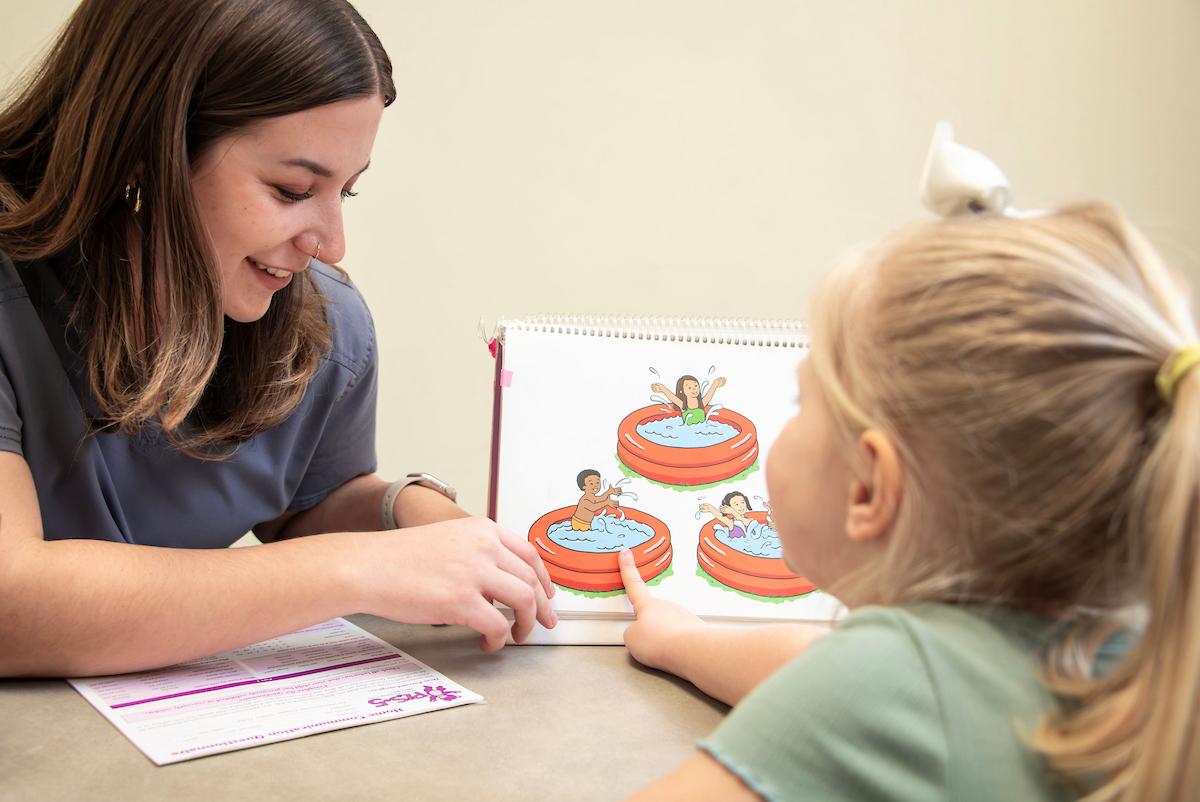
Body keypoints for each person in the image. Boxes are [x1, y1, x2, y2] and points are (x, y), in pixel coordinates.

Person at [0, 0, 556, 678]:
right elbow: (12, 600)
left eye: (345, 192)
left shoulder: (320, 324)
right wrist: (358, 567)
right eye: (293, 189)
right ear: (144, 151)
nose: (331, 245)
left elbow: (303, 504)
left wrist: (410, 515)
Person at [617, 201, 1198, 801]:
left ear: (870, 488)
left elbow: (857, 684)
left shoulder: (876, 689)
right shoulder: (1139, 660)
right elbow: (825, 666)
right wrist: (682, 641)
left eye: (800, 402)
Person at [652, 374, 725, 425]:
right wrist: (662, 389)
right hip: (688, 432)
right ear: (682, 391)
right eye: (689, 387)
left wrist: (715, 384)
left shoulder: (701, 404)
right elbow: (672, 397)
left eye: (696, 385)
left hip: (703, 430)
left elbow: (709, 394)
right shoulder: (683, 405)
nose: (694, 389)